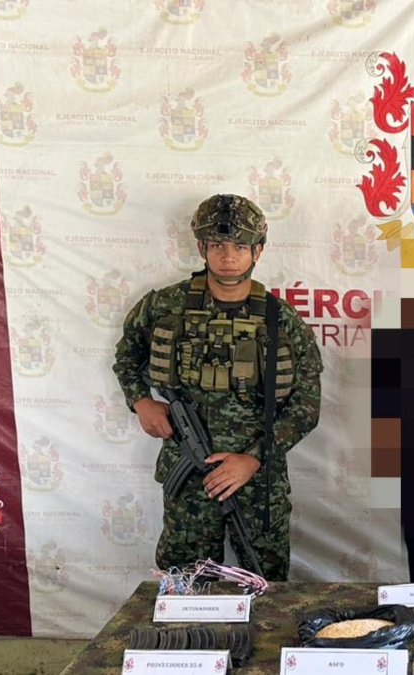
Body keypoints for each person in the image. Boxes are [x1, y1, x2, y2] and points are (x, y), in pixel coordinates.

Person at [112, 194, 322, 580]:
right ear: (201, 248)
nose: (228, 256)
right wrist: (140, 400)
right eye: (218, 246)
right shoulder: (165, 306)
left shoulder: (280, 320)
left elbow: (306, 406)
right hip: (188, 473)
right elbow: (127, 355)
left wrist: (253, 458)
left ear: (258, 250)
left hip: (258, 480)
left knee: (266, 584)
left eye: (240, 246)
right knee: (185, 584)